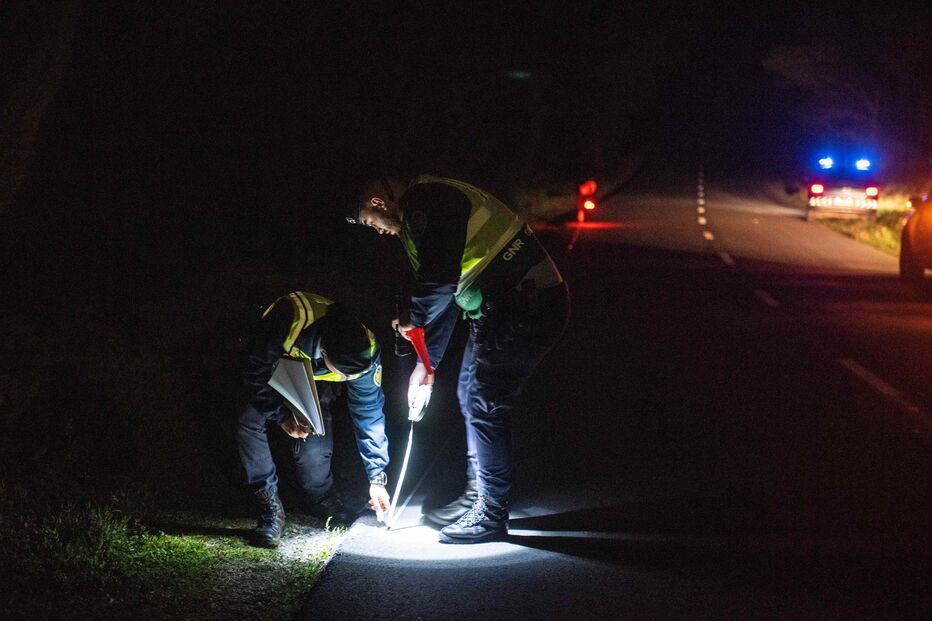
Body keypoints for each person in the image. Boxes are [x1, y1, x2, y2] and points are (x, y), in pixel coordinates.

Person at [347, 175, 569, 543]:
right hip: (499, 309)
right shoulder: (415, 224)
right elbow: (448, 296)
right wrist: (426, 364)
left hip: (528, 303)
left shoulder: (428, 201)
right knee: (469, 393)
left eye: (371, 222)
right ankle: (478, 494)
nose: (378, 231)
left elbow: (440, 282)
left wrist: (413, 318)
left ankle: (491, 512)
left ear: (377, 202)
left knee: (483, 403)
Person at [236, 291, 391, 547]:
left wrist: (376, 477)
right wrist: (282, 415)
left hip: (311, 379)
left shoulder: (366, 351)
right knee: (247, 419)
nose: (351, 378)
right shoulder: (288, 321)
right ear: (327, 353)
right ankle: (269, 506)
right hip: (268, 370)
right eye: (345, 374)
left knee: (316, 434)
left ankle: (320, 498)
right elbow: (253, 375)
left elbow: (369, 413)